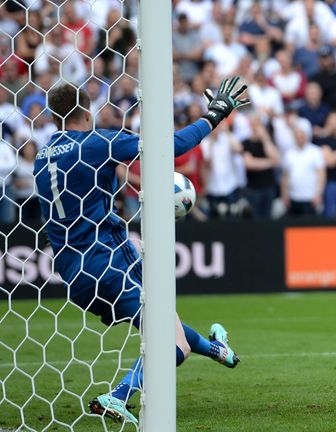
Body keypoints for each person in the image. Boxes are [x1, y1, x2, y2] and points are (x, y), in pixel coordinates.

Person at [33, 77, 250, 424]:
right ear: (86, 113)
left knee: (167, 323)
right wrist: (215, 114)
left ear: (53, 115)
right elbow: (171, 146)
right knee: (172, 345)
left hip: (74, 274)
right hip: (108, 260)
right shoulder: (93, 144)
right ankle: (118, 395)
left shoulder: (42, 158)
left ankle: (217, 350)